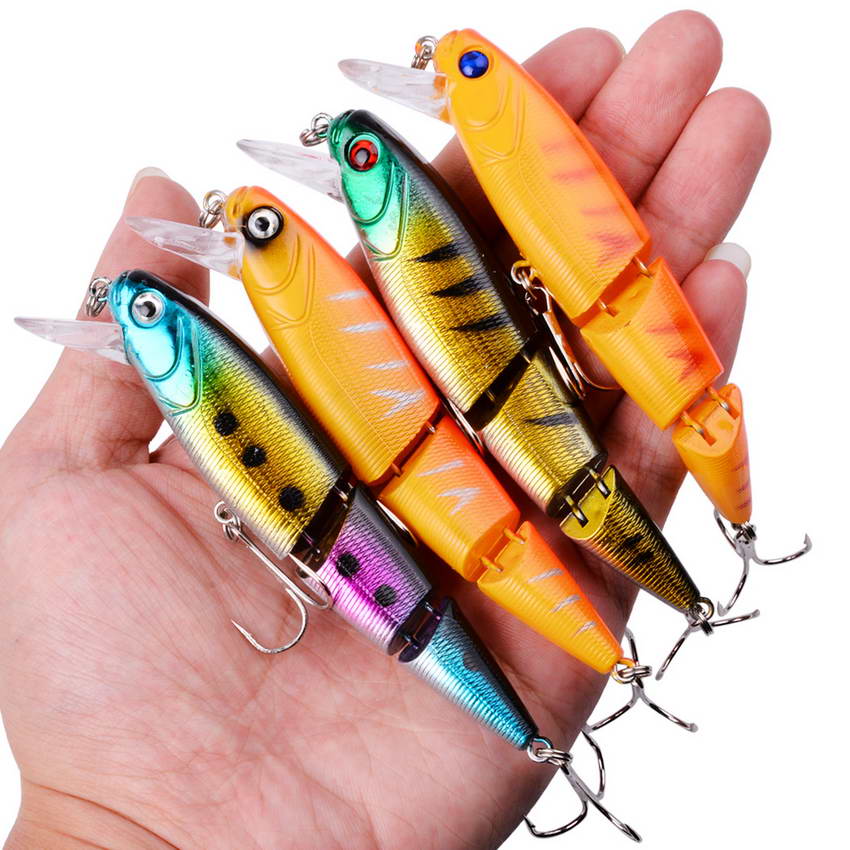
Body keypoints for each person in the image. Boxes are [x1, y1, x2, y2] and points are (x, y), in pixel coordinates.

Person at [0, 11, 767, 849]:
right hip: (392, 492)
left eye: (360, 157)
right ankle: (674, 604)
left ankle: (679, 597)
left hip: (466, 439)